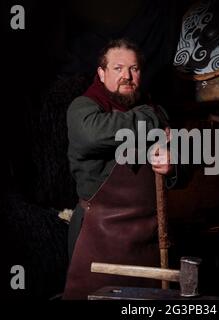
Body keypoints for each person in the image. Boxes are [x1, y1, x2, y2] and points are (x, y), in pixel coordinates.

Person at [63, 38, 181, 299]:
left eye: (134, 69)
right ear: (101, 73)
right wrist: (153, 117)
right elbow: (96, 135)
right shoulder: (83, 108)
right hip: (99, 237)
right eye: (118, 68)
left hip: (148, 239)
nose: (127, 76)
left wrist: (172, 165)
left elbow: (183, 164)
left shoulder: (151, 109)